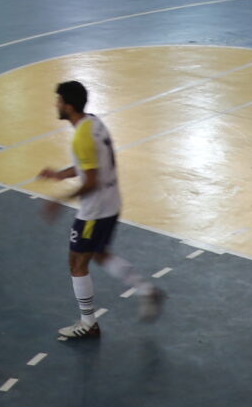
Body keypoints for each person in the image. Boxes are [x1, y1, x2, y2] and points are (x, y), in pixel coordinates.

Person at [35, 79, 161, 340]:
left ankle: (88, 323)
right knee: (100, 254)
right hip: (111, 202)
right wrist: (59, 174)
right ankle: (146, 290)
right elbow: (88, 166)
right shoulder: (93, 123)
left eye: (59, 101)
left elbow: (91, 181)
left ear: (69, 106)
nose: (56, 105)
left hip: (95, 210)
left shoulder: (81, 137)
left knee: (77, 262)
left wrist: (59, 201)